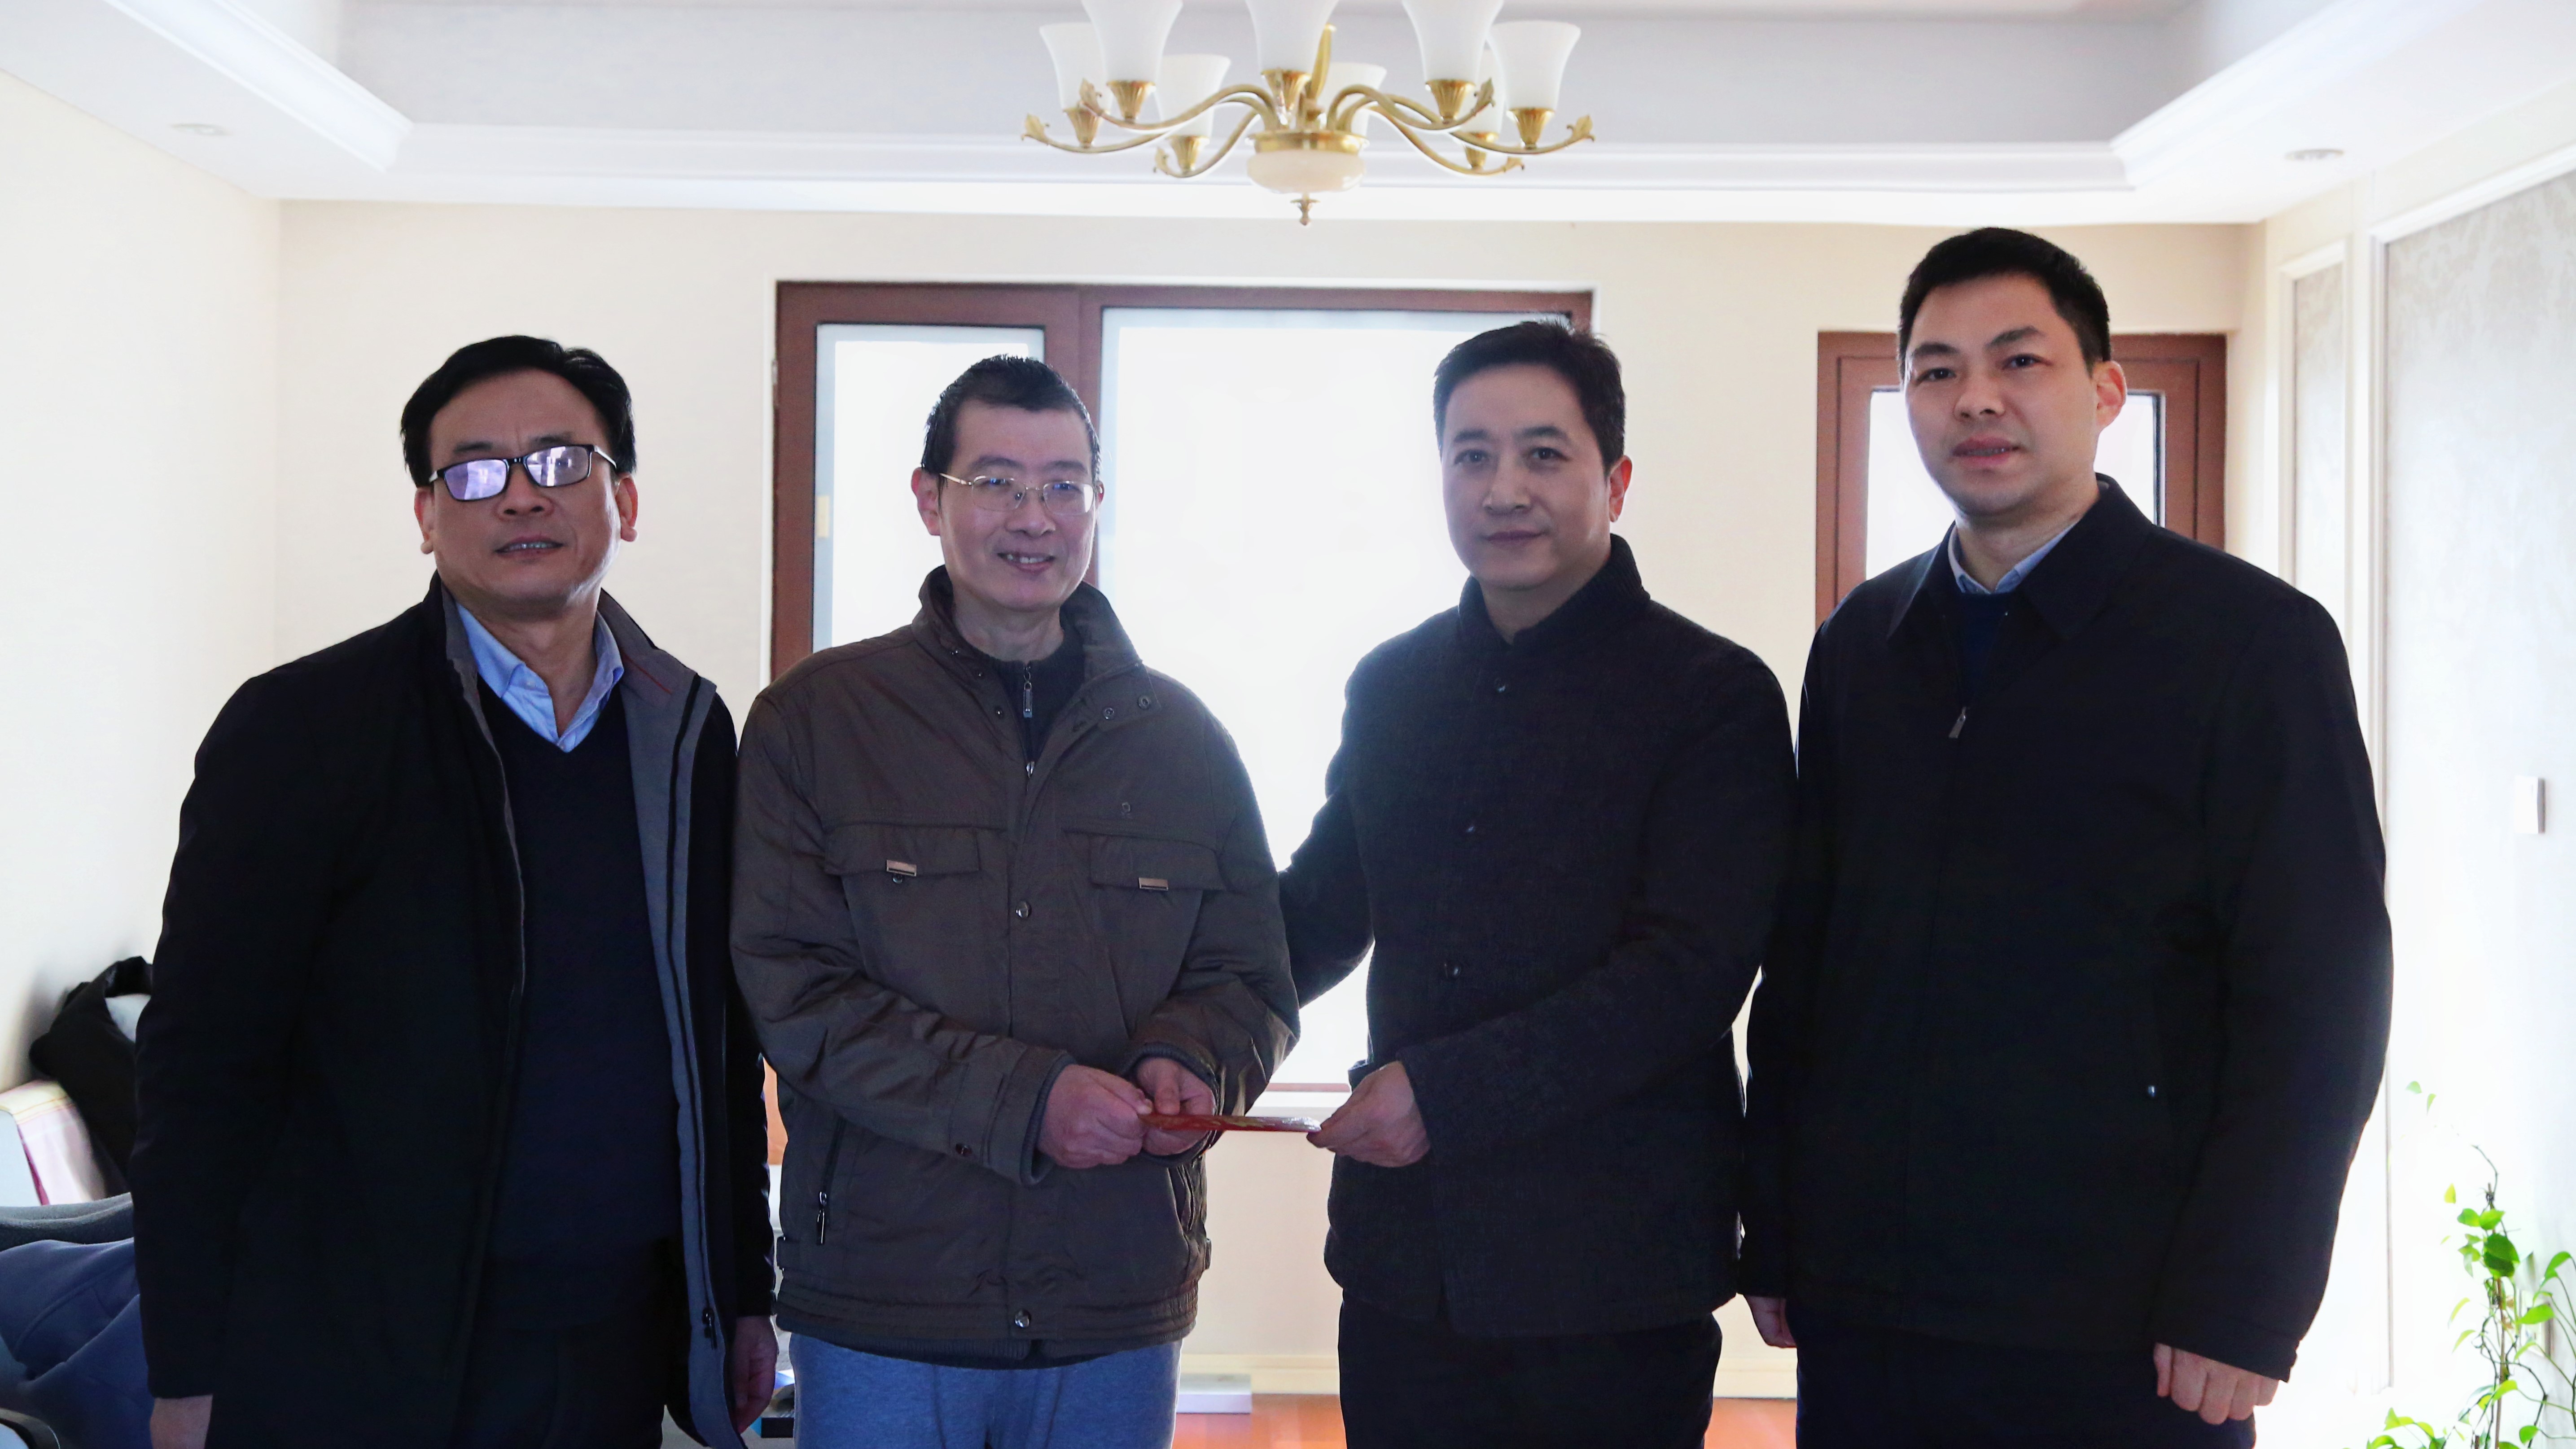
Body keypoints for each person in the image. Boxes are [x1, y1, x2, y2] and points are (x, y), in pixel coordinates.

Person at [1741, 228, 2392, 1447]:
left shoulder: (2248, 642)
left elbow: (2319, 993)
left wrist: (2243, 1297)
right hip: (1868, 1299)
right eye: (1935, 371)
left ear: (2103, 392)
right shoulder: (1863, 642)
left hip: (2127, 1316)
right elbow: (1806, 961)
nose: (1974, 399)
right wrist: (1776, 1226)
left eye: (2018, 360)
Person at [131, 337, 777, 1449]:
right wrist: (187, 1368)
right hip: (361, 1347)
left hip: (617, 1333)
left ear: (624, 499)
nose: (521, 495)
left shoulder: (686, 730)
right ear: (427, 517)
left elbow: (716, 1042)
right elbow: (200, 1069)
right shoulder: (303, 728)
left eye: (561, 462)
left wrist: (743, 1288)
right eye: (474, 472)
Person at [731, 355, 1297, 1449]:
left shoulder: (1183, 739)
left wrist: (1191, 1060)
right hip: (888, 1295)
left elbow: (1247, 977)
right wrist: (1028, 1101)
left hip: (1114, 1290)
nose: (1033, 517)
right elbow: (794, 996)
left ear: (1096, 502)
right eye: (994, 482)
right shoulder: (816, 721)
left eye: (1062, 486)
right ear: (928, 499)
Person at [1279, 321, 1798, 1449]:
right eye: (1470, 455)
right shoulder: (1392, 684)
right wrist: (1174, 1021)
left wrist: (1442, 1093)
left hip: (1614, 1272)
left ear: (1615, 479)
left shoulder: (1711, 694)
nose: (1502, 489)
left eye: (1542, 454)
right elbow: (1318, 910)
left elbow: (1688, 973)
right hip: (1407, 1264)